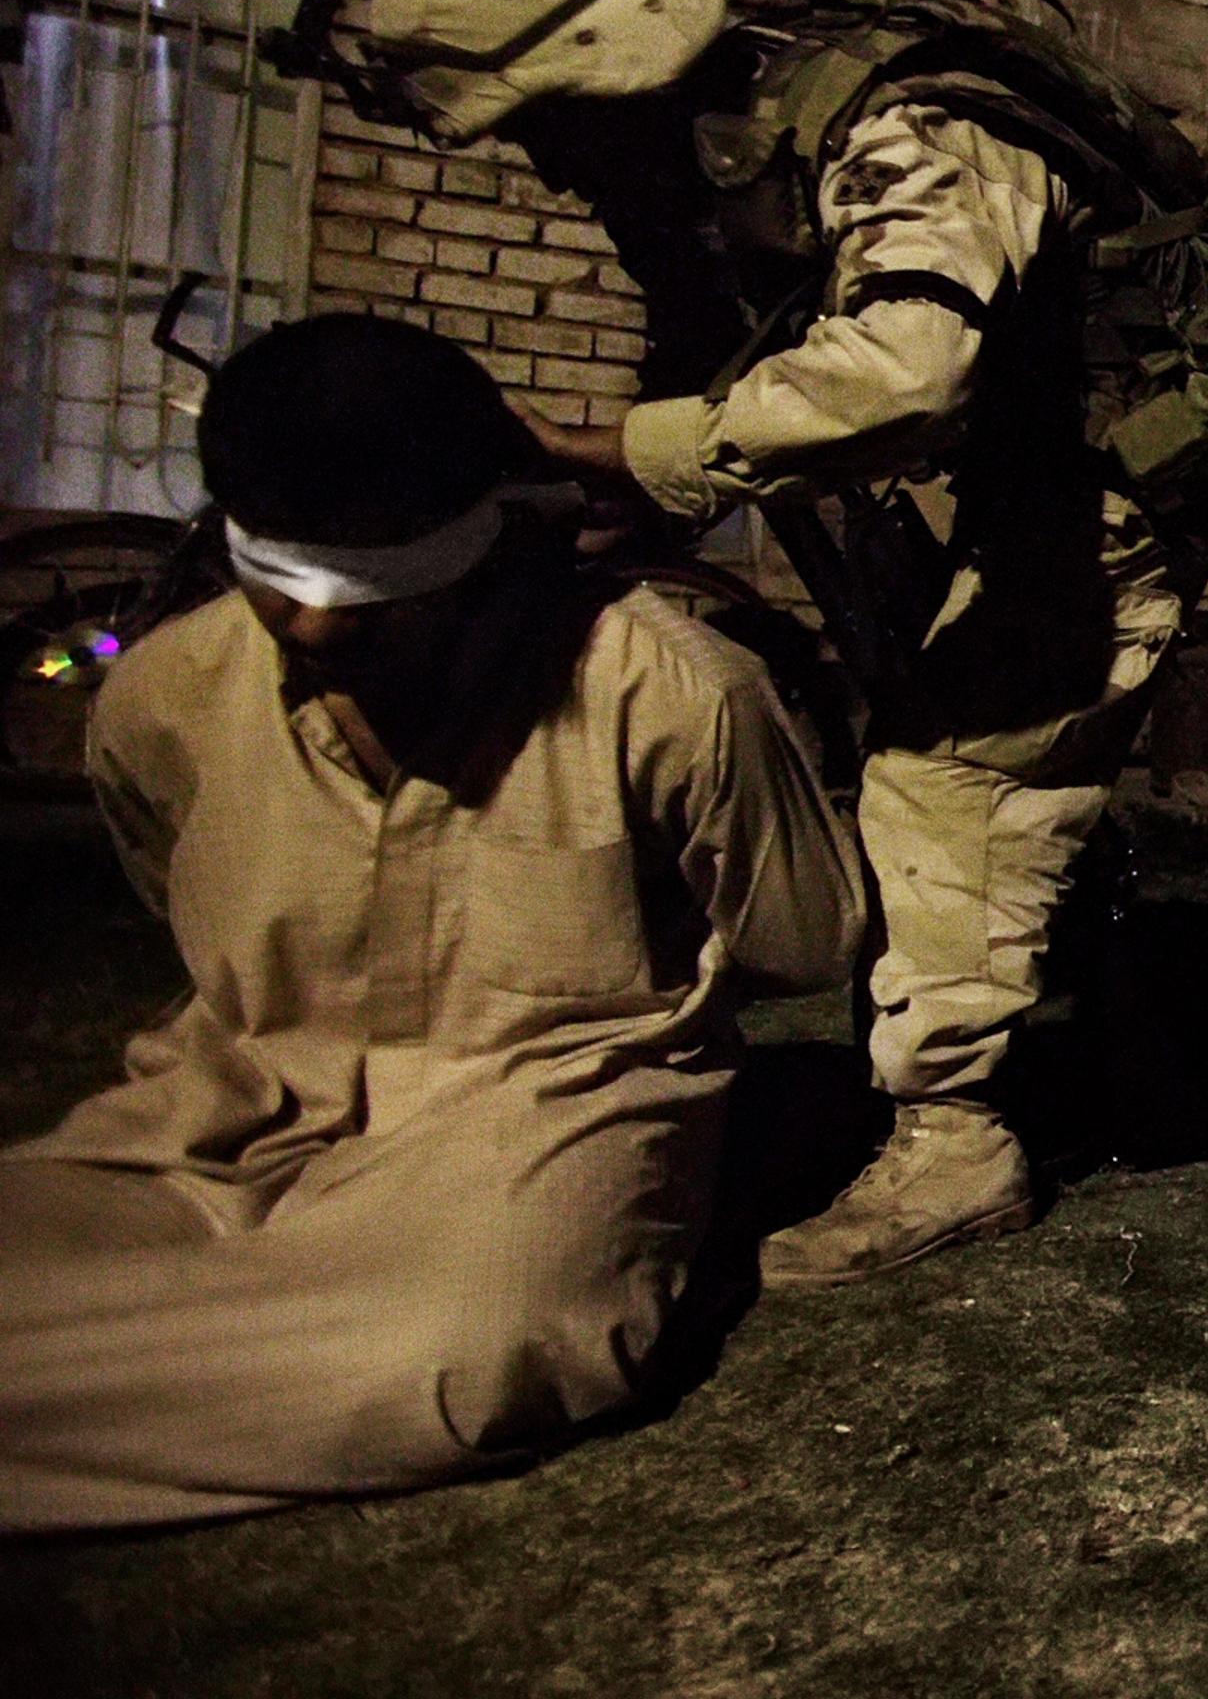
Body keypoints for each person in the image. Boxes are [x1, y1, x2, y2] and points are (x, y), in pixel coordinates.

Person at [347, 0, 1208, 1285]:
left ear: (598, 75)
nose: (547, 173)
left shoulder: (910, 131)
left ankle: (957, 1138)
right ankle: (1029, 968)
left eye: (538, 127)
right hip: (996, 480)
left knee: (953, 775)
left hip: (1104, 481)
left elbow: (907, 378)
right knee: (937, 758)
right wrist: (602, 515)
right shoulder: (704, 161)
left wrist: (602, 452)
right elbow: (707, 370)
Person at [0, 316, 864, 1532]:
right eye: (278, 579)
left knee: (455, 1357)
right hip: (223, 1124)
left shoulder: (668, 692)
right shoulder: (162, 698)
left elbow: (805, 937)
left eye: (366, 595)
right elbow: (172, 881)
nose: (310, 628)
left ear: (472, 540)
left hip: (528, 1137)